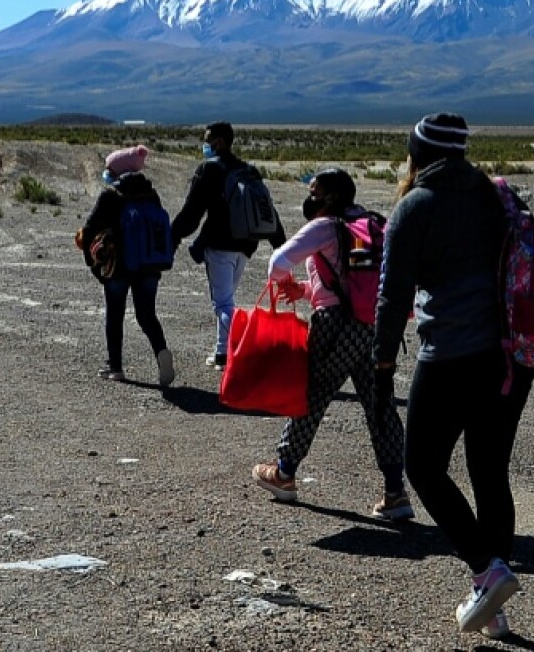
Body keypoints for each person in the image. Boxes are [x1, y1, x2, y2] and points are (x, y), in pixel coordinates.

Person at [371, 113, 534, 639]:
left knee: (422, 465)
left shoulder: (414, 206)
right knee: (489, 472)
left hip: (451, 356)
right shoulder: (494, 195)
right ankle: (495, 606)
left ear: (417, 152)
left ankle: (487, 571)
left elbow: (392, 297)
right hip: (509, 358)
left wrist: (381, 367)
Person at [250, 168, 413, 521]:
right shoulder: (372, 224)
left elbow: (277, 264)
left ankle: (285, 472)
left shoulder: (325, 226)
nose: (310, 198)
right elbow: (354, 286)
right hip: (376, 327)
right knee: (379, 403)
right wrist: (307, 290)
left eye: (315, 192)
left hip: (336, 329)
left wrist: (286, 281)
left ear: (331, 196)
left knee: (312, 395)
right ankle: (395, 491)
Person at [170, 121, 285, 370]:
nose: (205, 144)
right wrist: (280, 243)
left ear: (219, 142)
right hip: (246, 244)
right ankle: (225, 349)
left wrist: (173, 236)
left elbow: (192, 212)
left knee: (222, 302)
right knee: (228, 297)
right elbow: (267, 209)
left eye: (207, 139)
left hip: (219, 243)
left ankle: (225, 353)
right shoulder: (247, 169)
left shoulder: (210, 170)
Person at [78, 145, 176, 386]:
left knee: (115, 314)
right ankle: (161, 351)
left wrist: (94, 265)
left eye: (110, 168)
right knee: (146, 315)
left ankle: (116, 367)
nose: (107, 173)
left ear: (119, 170)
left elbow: (89, 230)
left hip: (118, 266)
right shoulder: (150, 195)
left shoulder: (111, 195)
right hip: (149, 266)